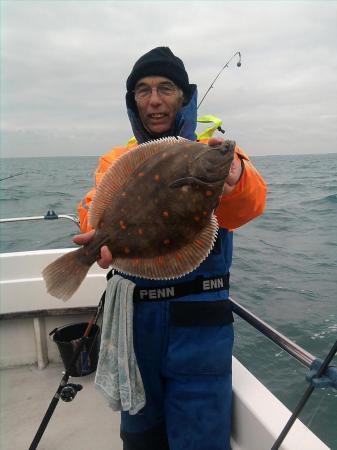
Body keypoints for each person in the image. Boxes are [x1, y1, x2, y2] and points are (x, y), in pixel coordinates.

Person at [75, 47, 267, 450]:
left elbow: (250, 203)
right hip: (135, 321)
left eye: (165, 88)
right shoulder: (117, 159)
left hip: (200, 323)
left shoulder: (214, 150)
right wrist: (93, 234)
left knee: (200, 438)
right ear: (134, 103)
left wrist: (235, 177)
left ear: (184, 96)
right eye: (143, 91)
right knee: (141, 436)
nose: (155, 99)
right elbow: (94, 205)